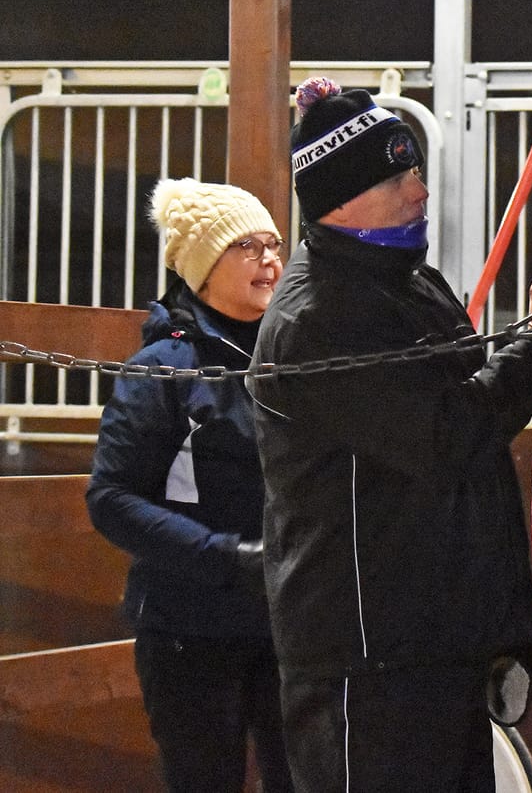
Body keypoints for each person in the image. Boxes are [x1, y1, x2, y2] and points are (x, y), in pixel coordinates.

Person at [247, 76, 532, 792]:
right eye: (397, 177)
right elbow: (445, 434)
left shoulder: (407, 285)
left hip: (432, 651)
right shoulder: (318, 316)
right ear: (339, 199)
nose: (419, 191)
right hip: (367, 668)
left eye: (415, 170)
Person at [86, 178, 292, 792]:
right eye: (247, 246)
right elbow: (111, 498)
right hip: (189, 629)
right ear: (202, 268)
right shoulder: (163, 368)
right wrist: (223, 556)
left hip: (286, 622)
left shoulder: (293, 353)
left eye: (275, 243)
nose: (270, 259)